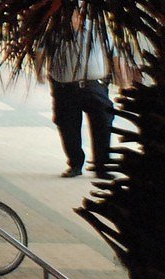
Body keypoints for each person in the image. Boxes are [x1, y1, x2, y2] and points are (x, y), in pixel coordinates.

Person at [47, 9, 115, 178]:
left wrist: (119, 74)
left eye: (77, 14)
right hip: (65, 87)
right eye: (70, 14)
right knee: (68, 126)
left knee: (103, 123)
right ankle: (75, 164)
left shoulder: (97, 29)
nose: (74, 18)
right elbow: (42, 52)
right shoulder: (55, 32)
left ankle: (102, 166)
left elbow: (112, 51)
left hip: (94, 85)